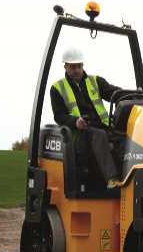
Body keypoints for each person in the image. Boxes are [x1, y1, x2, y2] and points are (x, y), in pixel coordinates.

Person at [50, 47, 125, 189]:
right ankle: (112, 179)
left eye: (79, 66)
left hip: (103, 126)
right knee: (99, 135)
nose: (77, 70)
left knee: (124, 137)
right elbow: (59, 115)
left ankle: (127, 176)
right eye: (72, 67)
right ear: (65, 66)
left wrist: (131, 94)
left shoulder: (95, 81)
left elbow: (113, 93)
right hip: (78, 133)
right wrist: (75, 122)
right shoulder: (57, 88)